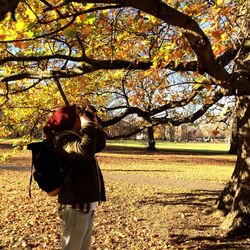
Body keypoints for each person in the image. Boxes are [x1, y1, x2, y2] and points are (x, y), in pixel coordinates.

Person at [43, 104, 106, 250]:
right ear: (70, 119)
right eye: (79, 114)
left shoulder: (75, 137)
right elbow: (84, 151)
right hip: (75, 203)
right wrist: (88, 126)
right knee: (72, 247)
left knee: (82, 247)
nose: (82, 116)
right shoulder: (62, 139)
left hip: (84, 202)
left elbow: (98, 146)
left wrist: (95, 126)